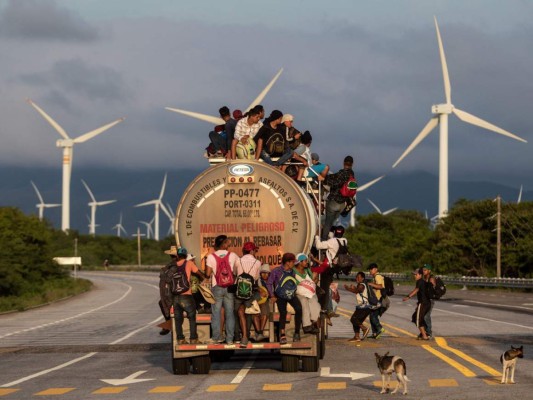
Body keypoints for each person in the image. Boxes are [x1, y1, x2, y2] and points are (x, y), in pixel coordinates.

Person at [168, 247, 207, 344]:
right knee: (191, 316)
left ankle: (180, 339)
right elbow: (198, 272)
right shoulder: (189, 263)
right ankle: (193, 338)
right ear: (185, 256)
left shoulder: (173, 266)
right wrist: (205, 278)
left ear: (177, 256)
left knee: (178, 318)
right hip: (186, 295)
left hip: (175, 296)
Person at [205, 235, 239, 344]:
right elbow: (237, 270)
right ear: (224, 243)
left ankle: (216, 337)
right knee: (230, 313)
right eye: (227, 241)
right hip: (230, 287)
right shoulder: (233, 255)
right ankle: (229, 339)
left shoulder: (211, 257)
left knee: (216, 313)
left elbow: (208, 274)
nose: (229, 243)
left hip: (217, 287)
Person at [266, 253, 303, 344]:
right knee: (283, 312)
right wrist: (272, 295)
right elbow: (269, 283)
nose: (294, 264)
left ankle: (297, 333)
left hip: (291, 295)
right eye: (292, 262)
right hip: (280, 296)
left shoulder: (292, 271)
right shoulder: (276, 271)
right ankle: (282, 334)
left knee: (299, 308)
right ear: (287, 262)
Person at [318, 155, 355, 240]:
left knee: (326, 223)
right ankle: (331, 239)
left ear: (343, 163)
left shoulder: (342, 173)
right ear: (352, 164)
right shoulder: (351, 174)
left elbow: (335, 183)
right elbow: (335, 176)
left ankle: (323, 241)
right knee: (331, 223)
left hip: (334, 201)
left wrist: (323, 179)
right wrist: (327, 177)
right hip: (342, 204)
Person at [314, 225, 348, 318]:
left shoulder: (332, 241)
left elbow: (318, 246)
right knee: (329, 289)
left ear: (334, 232)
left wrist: (317, 236)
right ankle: (329, 309)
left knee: (324, 289)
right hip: (336, 269)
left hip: (327, 268)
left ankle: (324, 309)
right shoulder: (345, 241)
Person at [234, 241, 261, 347]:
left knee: (239, 312)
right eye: (254, 250)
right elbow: (256, 278)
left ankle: (243, 336)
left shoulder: (238, 260)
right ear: (251, 251)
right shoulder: (257, 262)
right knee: (248, 311)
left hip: (239, 290)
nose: (255, 252)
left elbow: (235, 273)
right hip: (251, 291)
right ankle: (249, 335)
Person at [293, 253, 320, 334]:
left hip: (309, 292)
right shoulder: (293, 271)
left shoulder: (307, 270)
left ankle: (314, 320)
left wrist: (315, 280)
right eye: (305, 261)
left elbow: (312, 281)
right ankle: (306, 325)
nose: (306, 262)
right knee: (304, 302)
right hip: (299, 293)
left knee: (314, 301)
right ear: (300, 262)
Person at [403, 268, 431, 340]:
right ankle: (425, 333)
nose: (414, 276)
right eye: (414, 274)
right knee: (415, 317)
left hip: (423, 303)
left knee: (418, 319)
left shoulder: (420, 281)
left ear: (420, 275)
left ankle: (424, 335)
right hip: (425, 303)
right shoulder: (422, 281)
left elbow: (416, 290)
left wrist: (408, 296)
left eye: (416, 274)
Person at [344, 271, 371, 342]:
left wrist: (348, 289)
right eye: (356, 277)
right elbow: (357, 290)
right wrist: (353, 288)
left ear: (362, 278)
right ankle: (357, 337)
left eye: (358, 277)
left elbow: (358, 290)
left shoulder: (362, 284)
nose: (357, 278)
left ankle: (364, 329)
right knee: (356, 322)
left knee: (353, 319)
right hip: (362, 307)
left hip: (364, 307)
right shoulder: (360, 285)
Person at [367, 263, 386, 339]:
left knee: (373, 316)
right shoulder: (375, 277)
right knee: (372, 316)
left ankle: (380, 328)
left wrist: (371, 284)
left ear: (376, 269)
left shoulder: (378, 276)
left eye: (371, 269)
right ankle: (375, 333)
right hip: (375, 300)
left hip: (378, 300)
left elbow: (380, 286)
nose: (370, 271)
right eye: (369, 269)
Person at [255, 263, 271, 341]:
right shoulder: (257, 281)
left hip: (265, 301)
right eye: (263, 273)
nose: (265, 275)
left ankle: (260, 332)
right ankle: (258, 332)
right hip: (256, 300)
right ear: (260, 273)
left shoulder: (271, 282)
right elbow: (254, 288)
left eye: (267, 273)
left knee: (265, 314)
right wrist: (259, 289)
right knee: (254, 314)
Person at [422, 264, 437, 338]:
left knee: (426, 315)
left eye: (425, 270)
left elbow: (432, 289)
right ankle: (425, 331)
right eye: (423, 270)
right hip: (425, 299)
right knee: (423, 315)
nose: (423, 271)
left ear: (429, 271)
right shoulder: (424, 277)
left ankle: (429, 332)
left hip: (430, 300)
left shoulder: (431, 278)